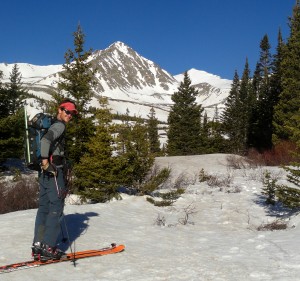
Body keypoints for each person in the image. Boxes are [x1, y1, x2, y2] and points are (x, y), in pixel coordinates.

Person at [31, 99, 78, 261]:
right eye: (67, 111)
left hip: (45, 173)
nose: (69, 115)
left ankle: (38, 246)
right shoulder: (59, 126)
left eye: (72, 113)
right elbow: (45, 141)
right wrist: (45, 163)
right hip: (53, 172)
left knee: (43, 207)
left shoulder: (51, 124)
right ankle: (49, 247)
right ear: (60, 109)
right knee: (56, 207)